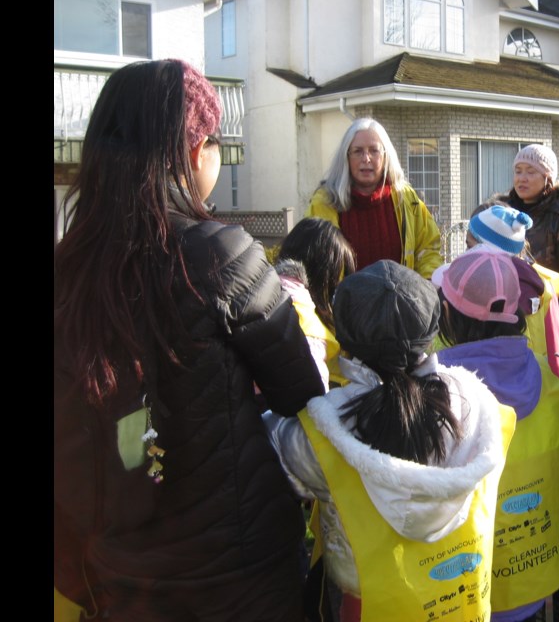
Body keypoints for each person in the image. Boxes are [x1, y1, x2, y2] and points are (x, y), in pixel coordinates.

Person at [53, 59, 325, 621]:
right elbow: (301, 391)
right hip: (237, 575)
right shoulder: (219, 254)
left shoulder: (66, 271)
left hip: (117, 574)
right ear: (195, 148)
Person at [264, 260, 515, 622]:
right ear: (433, 325)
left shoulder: (322, 430)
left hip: (364, 605)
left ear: (345, 336)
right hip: (458, 601)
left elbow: (272, 448)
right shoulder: (475, 401)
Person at [434, 251, 559, 622]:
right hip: (534, 578)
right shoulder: (554, 383)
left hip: (465, 591)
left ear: (447, 313)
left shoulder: (434, 392)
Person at [305, 118, 443, 278]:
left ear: (386, 156)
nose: (366, 158)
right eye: (358, 151)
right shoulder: (324, 201)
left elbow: (428, 250)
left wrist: (424, 290)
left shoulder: (406, 199)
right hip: (343, 302)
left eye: (374, 150)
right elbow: (312, 261)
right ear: (346, 157)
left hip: (399, 302)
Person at [494, 144, 559, 351]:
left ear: (548, 178)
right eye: (518, 171)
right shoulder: (501, 212)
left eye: (531, 171)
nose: (522, 178)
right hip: (505, 321)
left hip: (546, 322)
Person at [462, 203, 559, 378]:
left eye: (470, 246)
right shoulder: (545, 288)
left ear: (486, 251)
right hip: (542, 391)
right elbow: (555, 353)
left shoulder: (481, 292)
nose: (466, 253)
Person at [277, 217, 357, 388]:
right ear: (322, 278)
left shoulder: (273, 295)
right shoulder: (307, 326)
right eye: (336, 282)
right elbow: (315, 403)